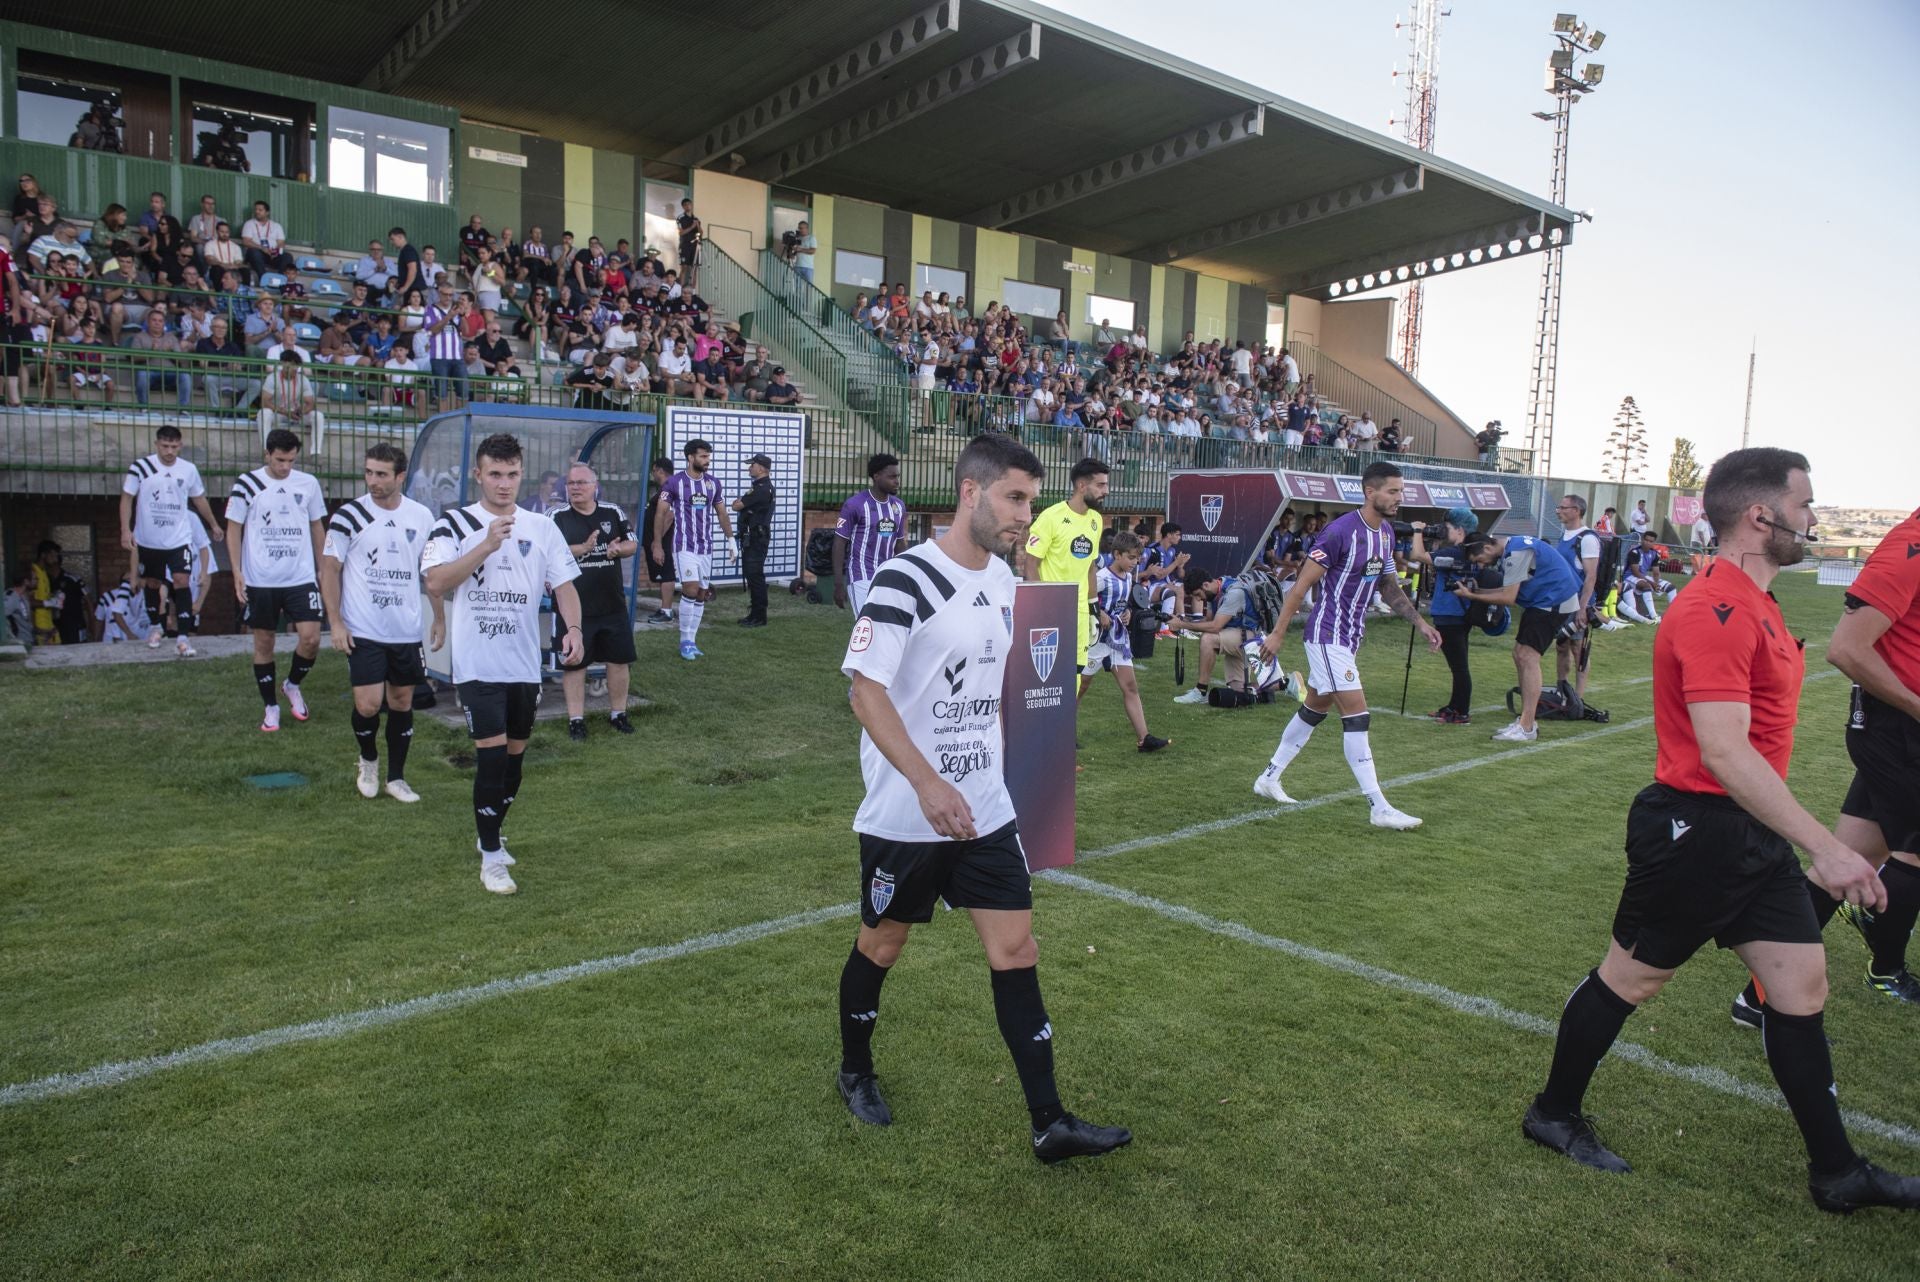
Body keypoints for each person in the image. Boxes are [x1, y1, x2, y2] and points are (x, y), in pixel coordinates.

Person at [1522, 446, 1920, 1214]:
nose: (1814, 519)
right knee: (1631, 978)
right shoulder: (1714, 608)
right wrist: (1828, 846)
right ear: (1761, 515)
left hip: (1750, 835)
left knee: (1800, 987)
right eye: (1806, 505)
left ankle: (1837, 1174)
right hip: (1695, 832)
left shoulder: (1758, 599)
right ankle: (1553, 1113)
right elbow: (1724, 751)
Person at [834, 432, 1131, 1163]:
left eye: (1030, 501)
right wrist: (926, 782)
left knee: (1016, 947)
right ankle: (855, 1070)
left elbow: (1008, 689)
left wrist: (1039, 758)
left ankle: (1049, 1122)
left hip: (986, 810)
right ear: (972, 491)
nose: (1026, 516)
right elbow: (864, 692)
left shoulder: (1004, 582)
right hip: (909, 814)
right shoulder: (906, 579)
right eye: (1015, 499)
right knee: (884, 943)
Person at [1732, 503, 1920, 1019]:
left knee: (1847, 858)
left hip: (1901, 730)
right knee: (1912, 857)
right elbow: (1846, 649)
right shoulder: (1911, 547)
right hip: (1900, 729)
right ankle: (1885, 964)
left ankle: (1757, 997)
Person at [422, 434, 584, 894]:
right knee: (491, 760)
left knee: (514, 763)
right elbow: (436, 581)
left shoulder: (542, 526)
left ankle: (488, 832)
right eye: (495, 474)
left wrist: (572, 630)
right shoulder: (454, 525)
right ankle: (491, 857)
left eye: (512, 474)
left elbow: (565, 585)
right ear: (478, 475)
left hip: (523, 665)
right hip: (477, 664)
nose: (504, 483)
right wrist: (486, 545)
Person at [1253, 462, 1441, 830]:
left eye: (1401, 491)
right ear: (1370, 492)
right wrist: (1277, 633)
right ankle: (1379, 807)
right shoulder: (1339, 533)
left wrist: (1420, 622)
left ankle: (1269, 777)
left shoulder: (1384, 533)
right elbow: (1300, 586)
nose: (1398, 498)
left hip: (1349, 638)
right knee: (1357, 716)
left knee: (1313, 710)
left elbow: (1387, 584)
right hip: (1327, 636)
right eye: (1392, 491)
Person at [319, 443, 441, 803]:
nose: (372, 480)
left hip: (405, 629)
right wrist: (336, 622)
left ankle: (397, 778)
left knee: (402, 701)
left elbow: (431, 573)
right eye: (369, 472)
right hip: (364, 629)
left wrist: (439, 617)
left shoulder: (422, 517)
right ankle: (368, 759)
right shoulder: (348, 515)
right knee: (369, 705)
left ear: (400, 477)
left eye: (381, 474)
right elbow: (329, 568)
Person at [226, 429, 328, 733]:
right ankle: (270, 706)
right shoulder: (248, 484)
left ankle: (292, 684)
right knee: (264, 642)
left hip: (300, 576)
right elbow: (233, 529)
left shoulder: (307, 484)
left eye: (291, 461)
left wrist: (323, 567)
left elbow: (317, 526)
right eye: (280, 460)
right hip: (260, 580)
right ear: (267, 454)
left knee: (311, 638)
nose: (285, 467)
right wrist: (236, 571)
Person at [1455, 528, 1584, 742]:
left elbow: (1508, 598)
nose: (1481, 565)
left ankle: (1527, 726)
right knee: (1520, 654)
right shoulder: (1514, 546)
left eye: (1480, 559)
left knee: (1528, 657)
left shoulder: (1516, 553)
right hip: (1545, 601)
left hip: (1552, 601)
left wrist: (1473, 596)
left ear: (1488, 547)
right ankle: (1527, 721)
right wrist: (1475, 593)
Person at [550, 462, 638, 741]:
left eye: (581, 483)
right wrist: (583, 549)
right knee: (575, 664)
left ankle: (618, 714)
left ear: (594, 486)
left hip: (612, 604)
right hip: (575, 610)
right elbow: (549, 552)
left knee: (619, 660)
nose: (574, 488)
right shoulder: (556, 516)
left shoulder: (612, 512)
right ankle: (576, 720)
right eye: (570, 483)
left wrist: (617, 548)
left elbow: (632, 543)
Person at [120, 424, 219, 656]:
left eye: (174, 447)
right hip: (149, 540)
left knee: (181, 580)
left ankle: (183, 637)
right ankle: (156, 626)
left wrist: (213, 523)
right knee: (153, 583)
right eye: (165, 446)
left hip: (179, 539)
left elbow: (199, 499)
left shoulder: (188, 469)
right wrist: (125, 530)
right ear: (156, 445)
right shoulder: (141, 467)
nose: (169, 451)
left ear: (180, 446)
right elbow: (126, 499)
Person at [1079, 532, 1170, 752]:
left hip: (1118, 639)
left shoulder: (1129, 577)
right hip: (1096, 641)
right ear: (1117, 555)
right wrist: (1099, 612)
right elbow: (1081, 597)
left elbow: (1123, 601)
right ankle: (1059, 733)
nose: (1135, 562)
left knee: (1130, 687)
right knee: (1080, 688)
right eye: (1130, 557)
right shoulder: (1101, 577)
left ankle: (1144, 738)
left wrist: (1128, 611)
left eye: (1137, 558)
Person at [1020, 458, 1107, 674]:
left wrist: (1094, 609)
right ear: (1081, 486)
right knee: (1049, 673)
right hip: (1053, 610)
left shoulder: (1096, 519)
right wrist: (1041, 607)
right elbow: (1030, 564)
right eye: (1100, 485)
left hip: (1080, 612)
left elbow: (1090, 567)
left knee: (1076, 672)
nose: (1106, 491)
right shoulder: (1051, 517)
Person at [651, 439, 734, 662]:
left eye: (708, 456)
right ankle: (684, 641)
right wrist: (657, 543)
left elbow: (722, 513)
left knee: (700, 594)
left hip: (706, 548)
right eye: (703, 456)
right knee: (690, 588)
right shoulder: (674, 483)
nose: (708, 460)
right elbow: (661, 513)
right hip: (684, 546)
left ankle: (693, 641)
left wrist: (731, 540)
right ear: (690, 458)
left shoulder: (713, 484)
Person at [1410, 508, 1481, 724]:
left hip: (1451, 615)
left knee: (1459, 666)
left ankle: (1461, 712)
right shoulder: (1470, 551)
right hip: (1459, 614)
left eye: (1448, 528)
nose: (1445, 531)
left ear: (1460, 530)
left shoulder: (1455, 553)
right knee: (1458, 665)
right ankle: (1455, 706)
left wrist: (1417, 532)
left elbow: (1418, 556)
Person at [833, 454, 907, 617]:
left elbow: (900, 544)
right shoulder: (855, 504)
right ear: (876, 476)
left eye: (898, 476)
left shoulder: (898, 506)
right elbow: (839, 542)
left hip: (887, 576)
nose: (897, 481)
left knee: (885, 627)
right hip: (861, 575)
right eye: (892, 477)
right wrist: (838, 583)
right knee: (867, 625)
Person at [1555, 495, 1603, 701]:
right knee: (1561, 645)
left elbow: (1591, 576)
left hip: (1577, 602)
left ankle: (1578, 697)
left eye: (1563, 507)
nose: (1559, 511)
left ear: (1576, 510)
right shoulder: (1564, 535)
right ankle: (1562, 689)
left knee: (1578, 647)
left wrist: (1582, 608)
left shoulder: (1588, 538)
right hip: (1562, 601)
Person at [732, 453, 775, 627]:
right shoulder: (760, 487)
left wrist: (740, 503)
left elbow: (736, 505)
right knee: (753, 576)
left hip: (756, 537)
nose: (750, 468)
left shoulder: (761, 489)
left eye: (752, 465)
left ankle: (759, 616)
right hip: (755, 537)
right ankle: (755, 614)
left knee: (755, 577)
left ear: (762, 468)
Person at [641, 457, 677, 624]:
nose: (653, 474)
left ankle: (667, 611)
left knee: (666, 575)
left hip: (662, 542)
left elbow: (669, 516)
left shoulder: (668, 489)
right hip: (655, 542)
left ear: (660, 470)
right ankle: (664, 608)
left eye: (654, 470)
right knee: (662, 575)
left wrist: (657, 544)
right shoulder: (663, 489)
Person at [1616, 532, 1677, 625]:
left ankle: (1674, 614)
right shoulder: (1634, 552)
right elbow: (1635, 572)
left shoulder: (1655, 553)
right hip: (1629, 576)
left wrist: (1656, 583)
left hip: (1643, 576)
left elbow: (1656, 572)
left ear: (1654, 543)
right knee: (1646, 585)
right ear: (1642, 540)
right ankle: (1654, 616)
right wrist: (1652, 584)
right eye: (1646, 540)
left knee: (1671, 587)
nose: (1647, 543)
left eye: (1651, 541)